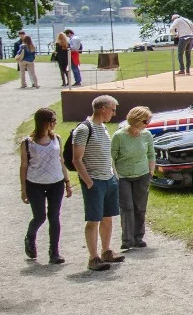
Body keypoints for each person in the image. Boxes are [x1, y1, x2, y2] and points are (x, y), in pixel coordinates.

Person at [72, 94, 121, 272]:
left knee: (108, 218)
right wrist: (89, 182)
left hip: (109, 180)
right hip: (95, 181)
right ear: (103, 109)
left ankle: (106, 250)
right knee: (94, 220)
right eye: (112, 110)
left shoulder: (104, 128)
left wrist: (114, 176)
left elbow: (107, 155)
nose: (114, 114)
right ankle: (93, 258)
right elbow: (77, 159)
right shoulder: (84, 129)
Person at [20, 106, 71, 265]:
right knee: (40, 216)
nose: (55, 123)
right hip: (35, 183)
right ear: (44, 122)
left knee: (54, 216)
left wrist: (67, 182)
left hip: (56, 182)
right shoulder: (27, 143)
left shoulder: (57, 138)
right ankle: (30, 237)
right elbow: (23, 166)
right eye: (53, 120)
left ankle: (54, 252)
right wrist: (23, 189)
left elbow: (61, 161)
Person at [112, 105, 154, 251]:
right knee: (127, 208)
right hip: (123, 176)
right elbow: (112, 157)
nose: (147, 125)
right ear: (136, 120)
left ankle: (138, 237)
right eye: (145, 122)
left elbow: (151, 154)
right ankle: (127, 239)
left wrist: (151, 171)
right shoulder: (119, 136)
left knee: (140, 207)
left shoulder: (146, 135)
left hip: (142, 175)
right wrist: (116, 176)